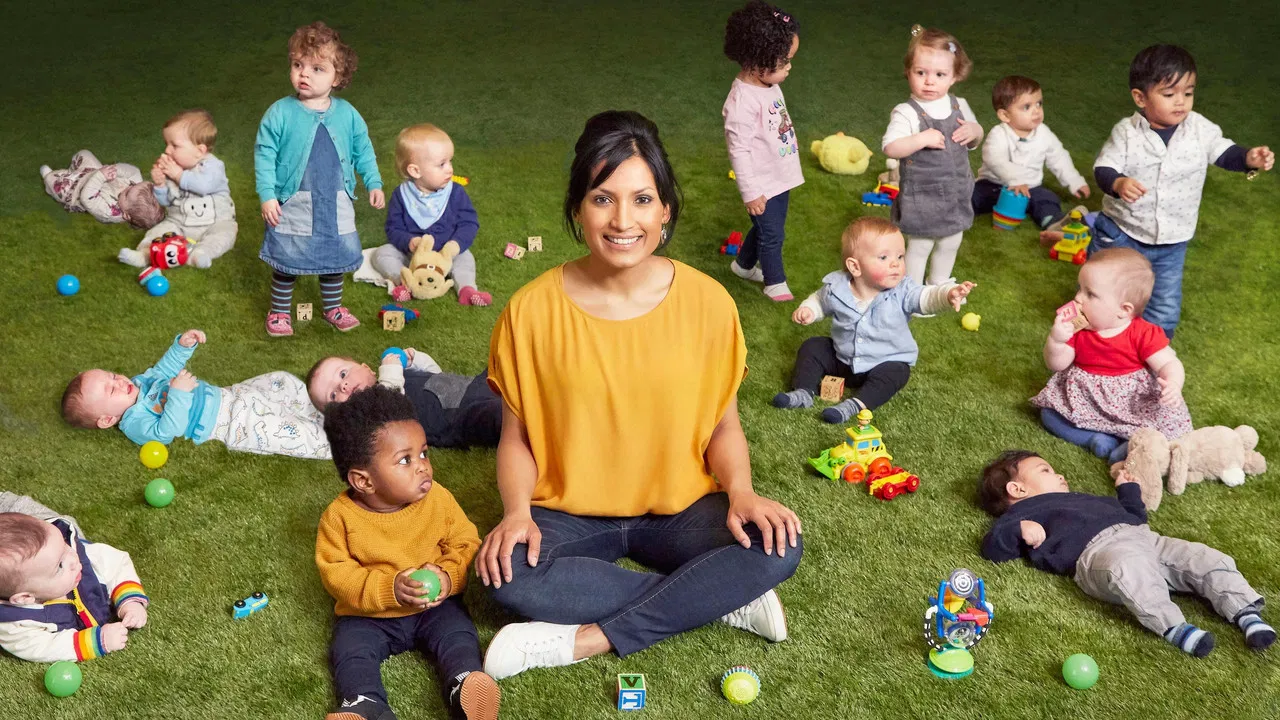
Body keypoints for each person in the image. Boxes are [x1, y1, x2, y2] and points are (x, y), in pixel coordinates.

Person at [477, 111, 802, 681]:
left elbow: (723, 426)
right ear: (578, 208)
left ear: (666, 209)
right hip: (568, 514)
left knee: (776, 545)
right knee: (503, 574)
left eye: (643, 199)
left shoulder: (709, 304)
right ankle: (715, 598)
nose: (623, 220)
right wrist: (516, 513)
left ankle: (585, 639)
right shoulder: (529, 310)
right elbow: (516, 438)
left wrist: (743, 492)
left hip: (680, 510)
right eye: (602, 199)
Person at [979, 450, 1275, 657]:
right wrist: (1019, 528)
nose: (1060, 475)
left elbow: (1135, 516)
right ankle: (1174, 627)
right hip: (1097, 553)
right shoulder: (1024, 512)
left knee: (1204, 558)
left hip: (1146, 538)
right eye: (1046, 470)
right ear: (1017, 489)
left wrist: (1128, 490)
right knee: (1128, 568)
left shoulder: (1083, 499)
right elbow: (992, 548)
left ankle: (1245, 612)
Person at [316, 386, 498, 720]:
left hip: (434, 608)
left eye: (424, 453)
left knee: (457, 634)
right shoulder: (339, 518)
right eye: (405, 460)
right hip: (369, 616)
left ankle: (464, 684)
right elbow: (338, 575)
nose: (423, 467)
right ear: (364, 481)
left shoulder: (438, 498)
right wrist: (390, 588)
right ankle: (364, 704)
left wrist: (447, 576)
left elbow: (466, 544)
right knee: (350, 651)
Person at [1092, 44, 1274, 338]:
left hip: (1172, 239)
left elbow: (1223, 151)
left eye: (1188, 93)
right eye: (1169, 94)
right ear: (1140, 97)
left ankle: (1154, 349)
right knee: (1105, 287)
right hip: (1122, 231)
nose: (1181, 102)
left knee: (1163, 304)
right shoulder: (1126, 132)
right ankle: (1095, 332)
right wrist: (1118, 183)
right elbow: (1104, 167)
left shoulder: (1199, 128)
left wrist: (1247, 158)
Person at [773, 217, 974, 423]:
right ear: (855, 267)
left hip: (882, 363)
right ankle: (803, 392)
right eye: (884, 257)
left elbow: (925, 297)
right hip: (842, 359)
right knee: (813, 346)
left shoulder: (902, 290)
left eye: (900, 256)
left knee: (898, 371)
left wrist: (946, 294)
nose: (895, 263)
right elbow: (819, 300)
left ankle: (855, 405)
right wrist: (809, 309)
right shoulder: (837, 287)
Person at [255, 21, 385, 336]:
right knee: (287, 256)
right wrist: (267, 195)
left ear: (337, 77)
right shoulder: (279, 112)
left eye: (317, 68)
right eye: (298, 65)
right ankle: (279, 311)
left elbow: (363, 150)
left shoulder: (348, 114)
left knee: (334, 253)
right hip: (293, 200)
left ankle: (332, 308)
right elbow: (264, 155)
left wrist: (374, 182)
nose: (304, 74)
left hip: (334, 198)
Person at [61, 329, 330, 460]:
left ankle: (320, 408)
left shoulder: (141, 382)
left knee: (280, 380)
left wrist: (181, 346)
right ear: (107, 419)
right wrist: (177, 393)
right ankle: (335, 440)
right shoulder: (134, 422)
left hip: (232, 395)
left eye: (112, 376)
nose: (119, 381)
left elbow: (164, 368)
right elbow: (166, 433)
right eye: (111, 389)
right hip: (232, 425)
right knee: (285, 431)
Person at [1031, 249, 1191, 464]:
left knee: (1161, 423)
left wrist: (1173, 383)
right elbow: (1056, 364)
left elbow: (1169, 363)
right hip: (1086, 400)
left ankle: (1130, 443)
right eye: (1080, 289)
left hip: (1131, 404)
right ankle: (1094, 439)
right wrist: (1056, 340)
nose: (1077, 298)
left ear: (1123, 310)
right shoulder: (1078, 330)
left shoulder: (1142, 333)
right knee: (1049, 415)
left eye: (1090, 294)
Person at [882, 25, 983, 289]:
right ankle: (912, 290)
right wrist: (920, 139)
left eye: (940, 74)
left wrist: (975, 131)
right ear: (908, 72)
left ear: (954, 76)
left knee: (951, 240)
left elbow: (975, 139)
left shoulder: (959, 105)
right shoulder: (907, 112)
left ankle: (939, 283)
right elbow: (891, 147)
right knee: (920, 245)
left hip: (956, 191)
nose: (929, 81)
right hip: (923, 196)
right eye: (921, 73)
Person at [722, 0, 803, 301]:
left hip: (779, 175)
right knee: (772, 234)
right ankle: (774, 282)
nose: (790, 67)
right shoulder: (741, 103)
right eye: (785, 61)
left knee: (765, 227)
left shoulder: (767, 84)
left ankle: (743, 266)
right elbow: (739, 151)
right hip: (762, 183)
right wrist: (751, 192)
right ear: (758, 62)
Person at [0, 509, 148, 662]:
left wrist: (130, 602)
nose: (73, 560)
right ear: (25, 597)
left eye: (65, 545)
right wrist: (97, 641)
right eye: (60, 566)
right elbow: (43, 647)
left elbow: (116, 564)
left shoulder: (74, 552)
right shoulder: (14, 624)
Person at [373, 124, 491, 306]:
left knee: (465, 258)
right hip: (414, 256)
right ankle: (405, 283)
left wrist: (455, 245)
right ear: (415, 171)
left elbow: (469, 223)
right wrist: (409, 242)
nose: (450, 169)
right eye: (442, 164)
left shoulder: (455, 192)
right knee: (382, 254)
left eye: (450, 161)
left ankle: (467, 289)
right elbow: (393, 228)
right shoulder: (401, 195)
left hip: (447, 254)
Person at [308, 348, 502, 449]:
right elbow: (390, 403)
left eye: (342, 374)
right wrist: (391, 369)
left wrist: (415, 360)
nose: (342, 386)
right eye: (333, 395)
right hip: (460, 416)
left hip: (472, 385)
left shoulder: (395, 375)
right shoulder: (374, 415)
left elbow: (436, 375)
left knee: (502, 361)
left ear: (366, 368)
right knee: (498, 414)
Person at [118, 109, 238, 269]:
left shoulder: (213, 166)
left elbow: (203, 186)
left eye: (174, 145)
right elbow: (167, 202)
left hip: (216, 222)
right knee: (158, 232)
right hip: (180, 223)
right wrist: (160, 185)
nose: (167, 150)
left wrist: (178, 175)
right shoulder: (173, 168)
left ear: (199, 151)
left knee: (224, 235)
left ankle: (201, 254)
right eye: (166, 144)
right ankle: (144, 254)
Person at [971, 75, 1090, 229]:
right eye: (1027, 107)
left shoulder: (1044, 133)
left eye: (1039, 104)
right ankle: (954, 214)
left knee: (1046, 199)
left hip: (1030, 188)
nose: (1036, 111)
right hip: (994, 184)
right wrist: (1015, 179)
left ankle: (1054, 223)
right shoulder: (998, 134)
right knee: (972, 194)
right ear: (1005, 115)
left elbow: (1059, 157)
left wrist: (1074, 181)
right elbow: (994, 159)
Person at [40, 149, 163, 228]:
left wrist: (100, 176)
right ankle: (72, 171)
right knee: (84, 154)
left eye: (126, 194)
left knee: (58, 186)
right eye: (134, 185)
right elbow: (134, 171)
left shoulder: (108, 212)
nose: (129, 186)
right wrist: (116, 170)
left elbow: (86, 197)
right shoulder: (136, 189)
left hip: (75, 192)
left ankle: (49, 176)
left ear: (126, 215)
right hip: (92, 171)